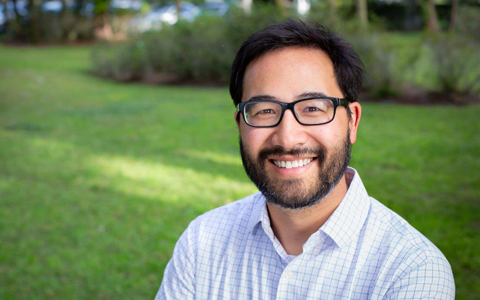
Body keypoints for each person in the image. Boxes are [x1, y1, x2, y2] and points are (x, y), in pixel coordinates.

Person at [155, 20, 455, 299]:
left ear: (352, 122)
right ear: (240, 125)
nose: (287, 138)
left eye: (312, 108)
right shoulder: (202, 241)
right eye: (264, 110)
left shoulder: (411, 271)